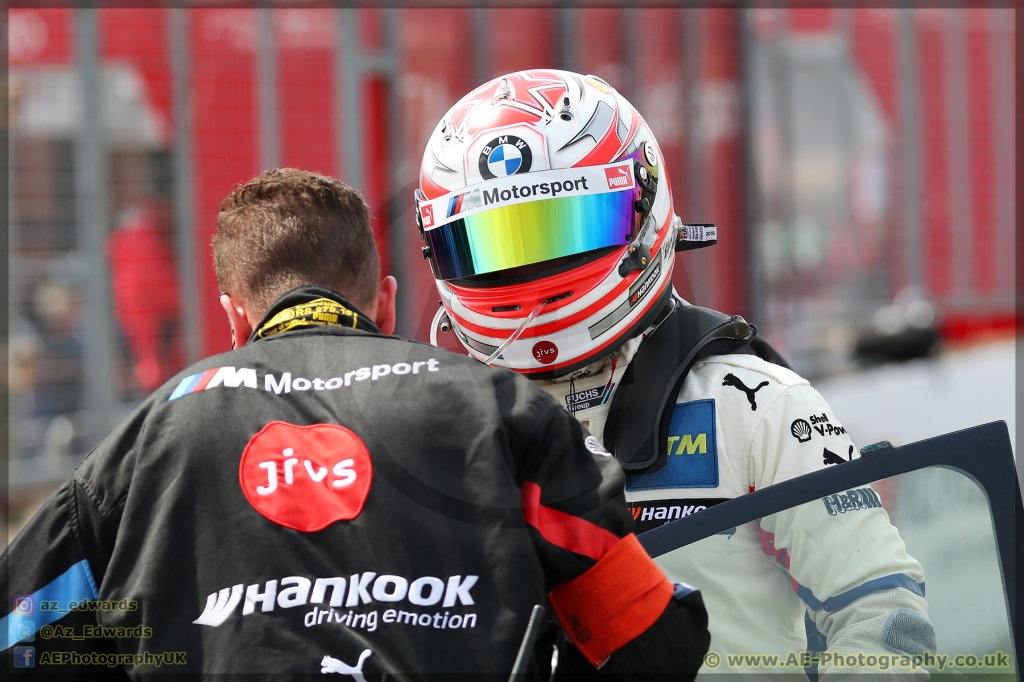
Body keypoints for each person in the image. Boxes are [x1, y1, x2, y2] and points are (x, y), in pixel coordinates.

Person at [1, 168, 709, 679]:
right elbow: (651, 642)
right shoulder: (498, 408)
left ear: (234, 317)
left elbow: (22, 636)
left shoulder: (143, 442)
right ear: (388, 303)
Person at [414, 70, 935, 679]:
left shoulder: (752, 401)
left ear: (643, 205)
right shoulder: (435, 425)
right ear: (442, 253)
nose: (537, 264)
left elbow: (880, 605)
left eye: (566, 227)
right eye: (494, 244)